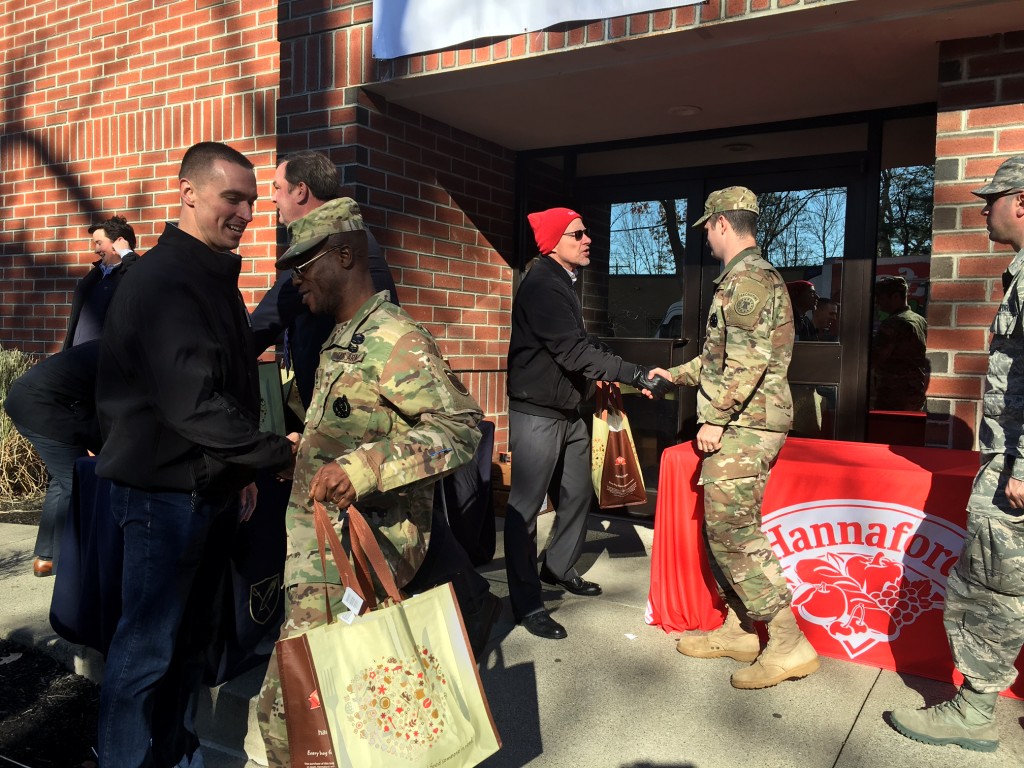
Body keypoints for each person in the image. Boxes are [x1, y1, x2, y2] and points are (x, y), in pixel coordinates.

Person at [253, 197, 489, 765]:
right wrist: (303, 456)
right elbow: (356, 424)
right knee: (308, 711)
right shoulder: (342, 337)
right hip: (323, 558)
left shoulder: (394, 337)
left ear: (345, 254)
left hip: (357, 561)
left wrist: (360, 471)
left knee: (299, 715)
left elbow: (460, 428)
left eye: (304, 268)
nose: (295, 282)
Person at [94, 141, 299, 768]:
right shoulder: (162, 282)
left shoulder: (213, 277)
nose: (244, 212)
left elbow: (228, 388)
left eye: (252, 202)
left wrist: (239, 473)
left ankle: (174, 758)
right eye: (230, 198)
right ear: (188, 194)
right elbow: (192, 404)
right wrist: (273, 454)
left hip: (207, 492)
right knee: (145, 654)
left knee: (187, 648)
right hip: (162, 500)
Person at [651, 186, 820, 689]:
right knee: (724, 528)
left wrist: (715, 419)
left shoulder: (749, 281)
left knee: (734, 532)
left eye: (706, 226)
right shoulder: (744, 280)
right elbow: (716, 360)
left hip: (747, 425)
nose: (704, 236)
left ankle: (789, 644)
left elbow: (748, 363)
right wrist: (671, 375)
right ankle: (745, 629)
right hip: (744, 421)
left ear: (723, 224)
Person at [889, 155, 1024, 752]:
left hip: (1015, 473)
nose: (983, 209)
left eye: (991, 199)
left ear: (1021, 201)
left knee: (991, 589)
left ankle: (972, 713)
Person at [505, 207, 671, 641]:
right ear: (553, 242)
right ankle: (526, 604)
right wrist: (633, 374)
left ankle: (557, 567)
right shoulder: (542, 284)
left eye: (586, 232)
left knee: (578, 491)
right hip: (538, 412)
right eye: (577, 233)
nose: (587, 239)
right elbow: (572, 353)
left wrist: (610, 363)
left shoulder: (562, 283)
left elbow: (577, 343)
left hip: (569, 409)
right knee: (524, 509)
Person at [252, 150, 399, 408]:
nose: (272, 197)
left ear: (300, 191)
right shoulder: (353, 235)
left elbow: (260, 327)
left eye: (277, 187)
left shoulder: (323, 248)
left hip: (351, 413)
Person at [3, 341, 101, 577]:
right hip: (44, 408)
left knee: (63, 480)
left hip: (29, 400)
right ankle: (69, 564)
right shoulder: (123, 355)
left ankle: (47, 559)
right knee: (77, 483)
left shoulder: (106, 347)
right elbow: (108, 409)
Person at [64, 215, 139, 349]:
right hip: (77, 358)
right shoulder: (97, 274)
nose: (96, 250)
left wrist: (127, 254)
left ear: (119, 242)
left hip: (105, 361)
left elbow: (144, 281)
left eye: (99, 243)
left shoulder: (130, 273)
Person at [870, 274, 929, 411]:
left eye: (881, 297)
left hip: (893, 394)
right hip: (915, 391)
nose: (877, 302)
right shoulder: (920, 320)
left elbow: (875, 358)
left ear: (896, 296)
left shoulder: (893, 324)